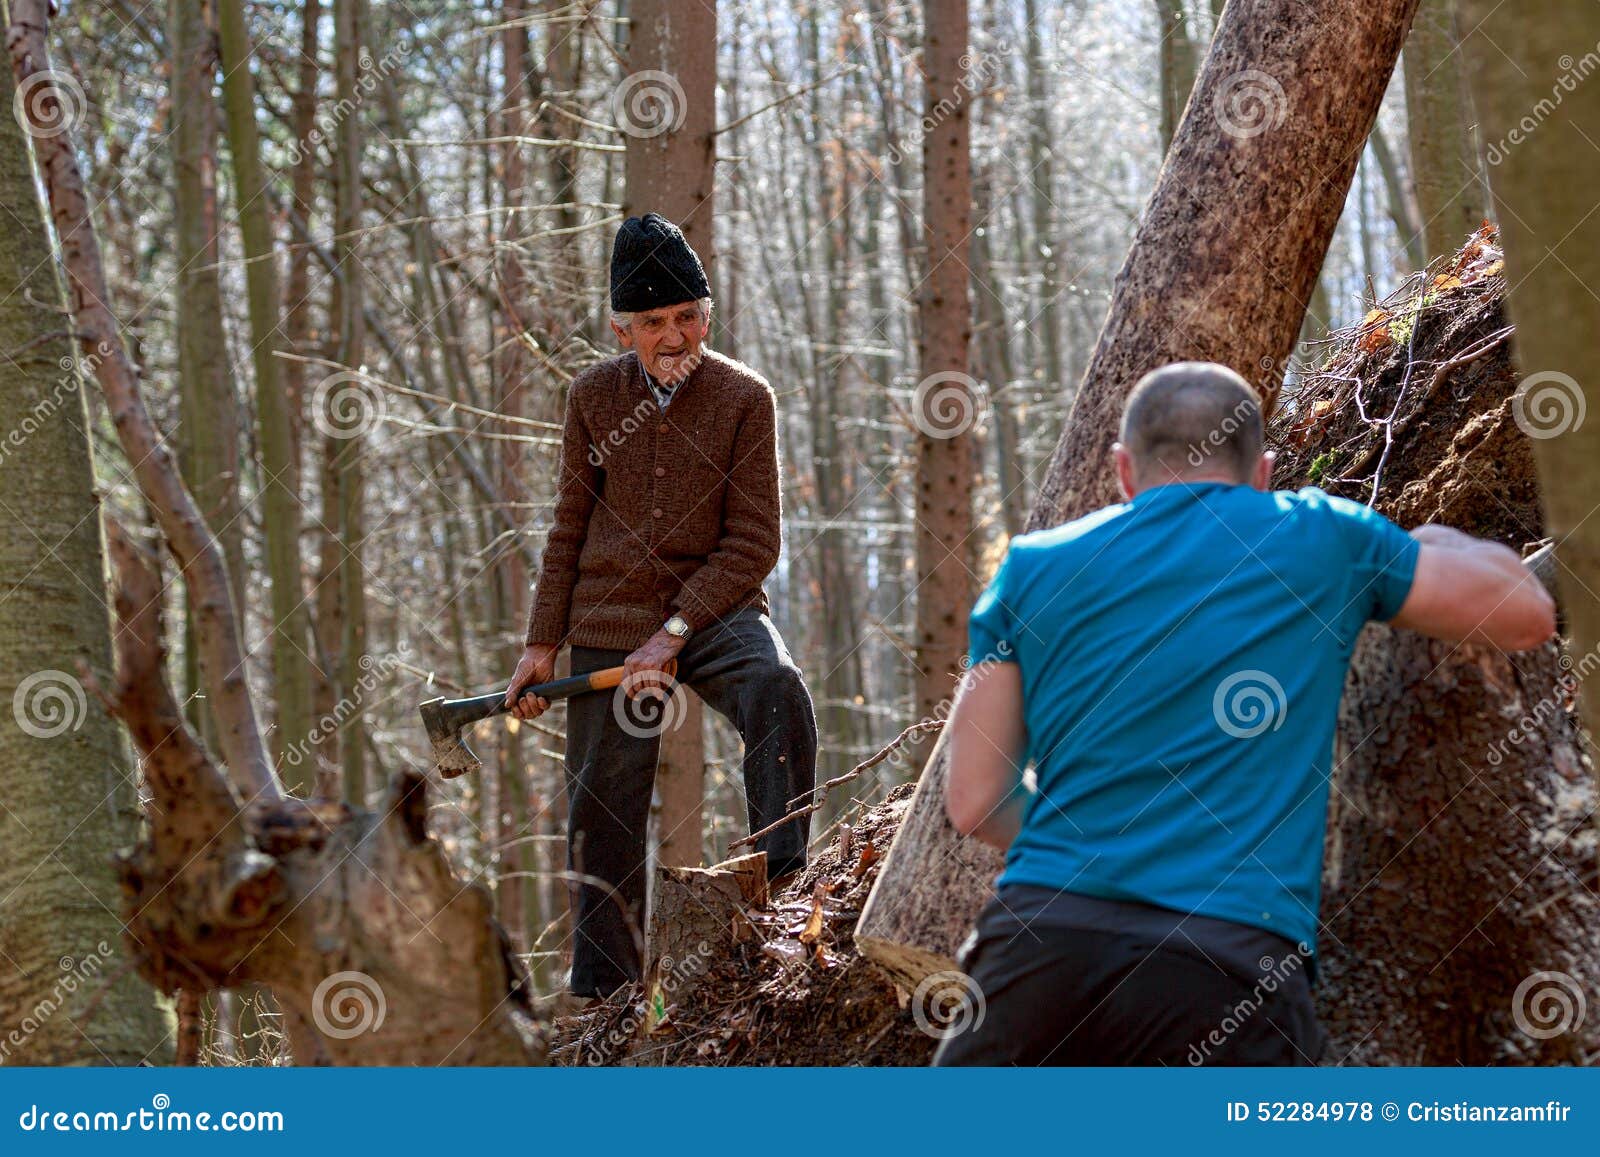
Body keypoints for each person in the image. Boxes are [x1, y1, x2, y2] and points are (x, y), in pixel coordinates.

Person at [936, 361, 1556, 1065]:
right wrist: (1428, 543)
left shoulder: (1034, 566)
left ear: (1123, 471)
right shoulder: (1323, 539)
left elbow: (976, 800)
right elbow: (1528, 614)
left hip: (1037, 953)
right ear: (1262, 471)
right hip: (1223, 966)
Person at [506, 213, 817, 1000]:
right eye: (654, 323)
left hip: (716, 610)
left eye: (687, 317)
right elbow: (568, 524)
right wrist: (541, 644)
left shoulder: (746, 398)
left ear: (707, 317)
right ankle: (603, 993)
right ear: (623, 330)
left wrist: (675, 631)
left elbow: (753, 542)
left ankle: (781, 897)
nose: (674, 337)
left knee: (776, 690)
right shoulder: (590, 399)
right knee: (600, 800)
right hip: (608, 618)